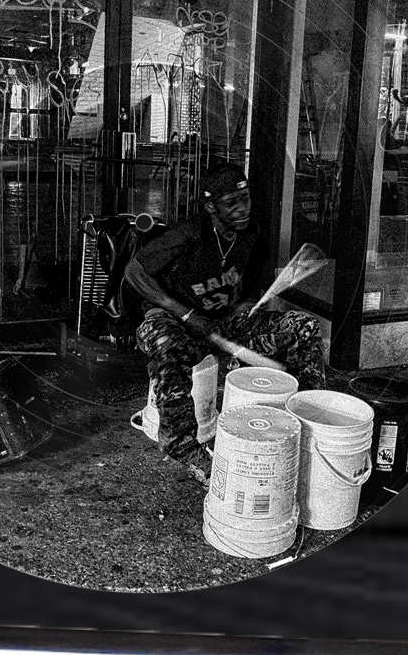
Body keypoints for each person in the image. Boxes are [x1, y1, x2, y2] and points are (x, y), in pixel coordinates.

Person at [125, 160, 328, 477]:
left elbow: (253, 280)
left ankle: (307, 418)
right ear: (210, 206)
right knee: (167, 345)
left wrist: (245, 304)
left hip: (222, 324)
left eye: (245, 199)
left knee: (304, 328)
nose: (242, 209)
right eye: (231, 203)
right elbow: (134, 272)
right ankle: (183, 448)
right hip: (173, 321)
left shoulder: (250, 234)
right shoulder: (189, 235)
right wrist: (188, 315)